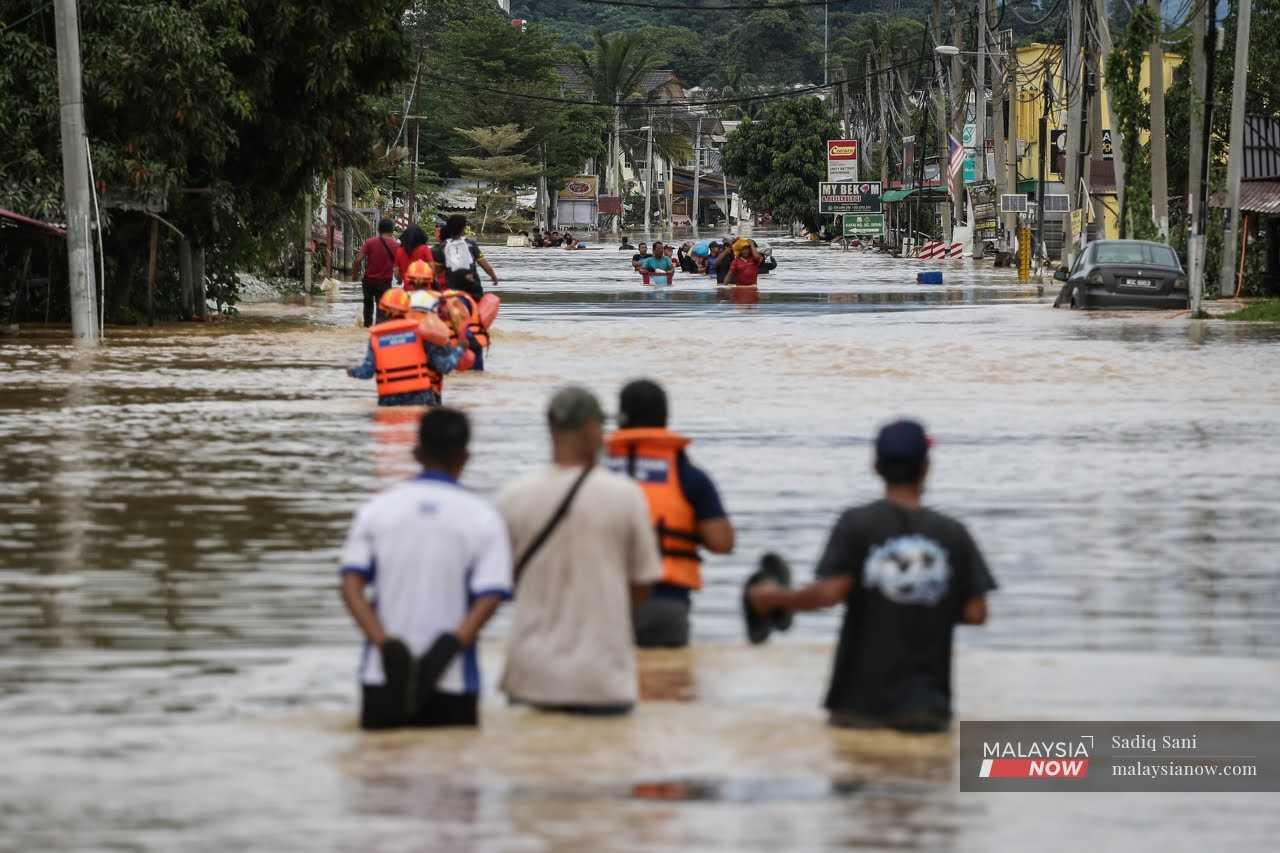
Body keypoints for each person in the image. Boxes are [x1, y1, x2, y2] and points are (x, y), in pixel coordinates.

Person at [746, 419, 997, 733]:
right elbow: (976, 613)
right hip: (927, 709)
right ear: (926, 466)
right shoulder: (953, 534)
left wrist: (770, 597)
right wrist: (924, 597)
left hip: (858, 705)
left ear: (876, 466)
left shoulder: (857, 524)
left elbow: (829, 594)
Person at [338, 408, 512, 730]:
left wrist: (384, 644)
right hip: (454, 680)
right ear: (465, 456)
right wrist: (452, 644)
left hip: (381, 675)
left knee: (378, 772)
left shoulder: (377, 510)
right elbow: (490, 597)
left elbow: (351, 587)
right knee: (453, 771)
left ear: (416, 452)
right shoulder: (483, 517)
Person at [498, 386, 662, 714]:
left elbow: (501, 583)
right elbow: (644, 580)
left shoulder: (513, 497)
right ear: (590, 430)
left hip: (531, 677)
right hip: (601, 680)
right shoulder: (626, 496)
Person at [605, 380, 733, 647]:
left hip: (601, 604)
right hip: (665, 605)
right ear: (665, 419)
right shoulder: (688, 476)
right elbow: (722, 542)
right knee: (666, 685)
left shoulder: (593, 472)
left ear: (621, 419)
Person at [346, 288, 468, 407]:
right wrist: (460, 349)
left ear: (383, 310)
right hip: (421, 398)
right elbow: (444, 367)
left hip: (388, 400)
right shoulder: (420, 332)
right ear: (407, 309)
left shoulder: (376, 337)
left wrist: (350, 371)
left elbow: (366, 373)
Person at [433, 214, 497, 301]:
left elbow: (436, 272)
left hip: (453, 292)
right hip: (474, 291)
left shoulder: (441, 248)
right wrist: (493, 276)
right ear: (463, 228)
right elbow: (485, 265)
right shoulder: (471, 244)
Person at [353, 219, 399, 327]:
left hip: (369, 280)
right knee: (382, 308)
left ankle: (367, 327)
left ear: (379, 229)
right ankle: (379, 330)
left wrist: (355, 274)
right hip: (385, 282)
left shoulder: (370, 242)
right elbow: (397, 267)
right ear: (392, 230)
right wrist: (399, 278)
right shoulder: (396, 245)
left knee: (367, 306)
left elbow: (358, 260)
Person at [394, 224, 434, 289]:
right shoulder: (424, 249)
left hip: (408, 289)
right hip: (424, 289)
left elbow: (396, 272)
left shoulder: (399, 251)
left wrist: (399, 280)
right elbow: (432, 268)